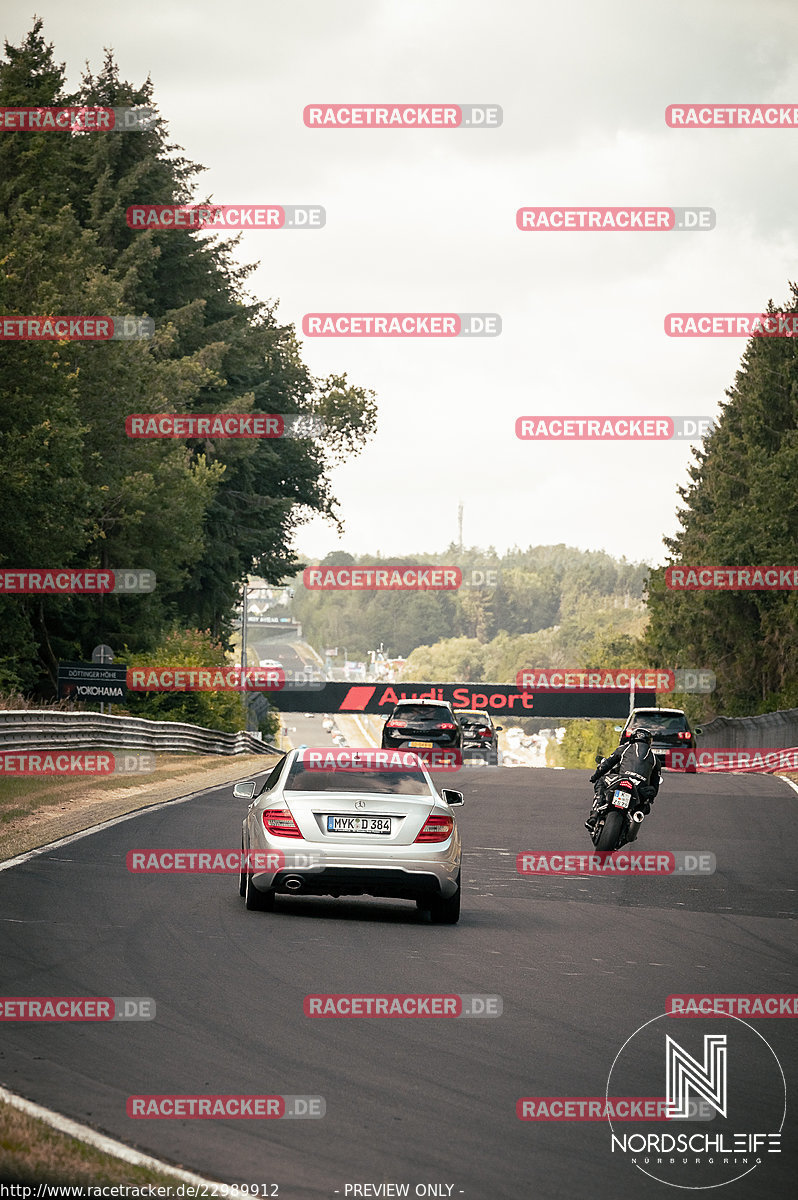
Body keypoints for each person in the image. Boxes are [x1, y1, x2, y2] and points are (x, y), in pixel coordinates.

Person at [585, 727, 662, 831]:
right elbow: (655, 783)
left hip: (622, 779)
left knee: (601, 781)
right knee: (645, 805)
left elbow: (607, 764)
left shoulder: (625, 748)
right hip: (640, 788)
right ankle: (632, 824)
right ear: (649, 742)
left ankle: (594, 814)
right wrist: (650, 799)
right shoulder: (655, 759)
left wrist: (594, 777)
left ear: (632, 738)